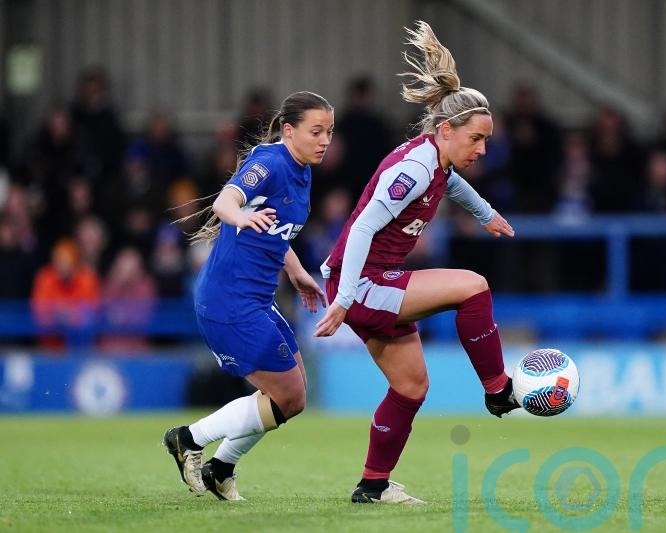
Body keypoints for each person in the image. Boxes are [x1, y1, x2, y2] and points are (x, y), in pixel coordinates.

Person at [314, 21, 516, 505]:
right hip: (360, 284)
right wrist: (343, 300)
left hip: (367, 283)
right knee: (473, 285)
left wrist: (485, 213)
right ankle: (497, 388)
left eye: (486, 141)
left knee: (410, 387)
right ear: (447, 130)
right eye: (475, 139)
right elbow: (360, 228)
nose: (482, 150)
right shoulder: (414, 168)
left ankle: (372, 486)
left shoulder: (437, 161)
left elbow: (452, 184)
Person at [162, 91, 332, 501]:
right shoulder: (270, 162)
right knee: (288, 396)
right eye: (316, 131)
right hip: (229, 301)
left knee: (292, 396)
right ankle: (188, 438)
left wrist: (295, 271)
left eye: (329, 131)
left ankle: (221, 469)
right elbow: (226, 201)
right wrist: (240, 216)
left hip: (254, 299)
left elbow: (275, 229)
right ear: (289, 131)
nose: (324, 139)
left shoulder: (302, 167)